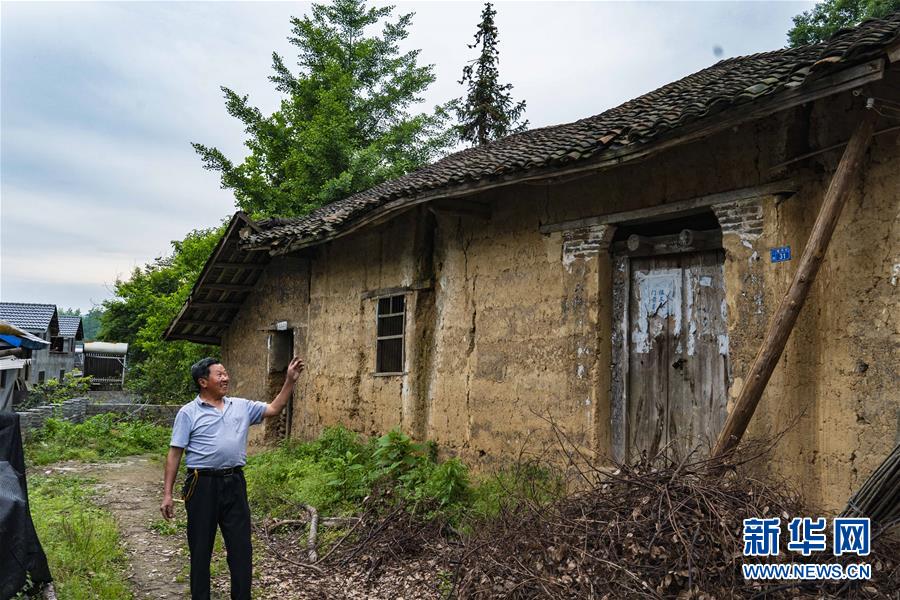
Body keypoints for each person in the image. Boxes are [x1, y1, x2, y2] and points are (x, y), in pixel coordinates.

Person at [160, 356, 304, 600]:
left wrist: (290, 381)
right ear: (203, 382)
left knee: (241, 549)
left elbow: (274, 408)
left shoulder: (241, 406)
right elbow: (175, 454)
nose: (225, 378)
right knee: (200, 550)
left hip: (234, 483)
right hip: (201, 484)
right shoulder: (188, 413)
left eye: (225, 373)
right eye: (219, 374)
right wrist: (167, 494)